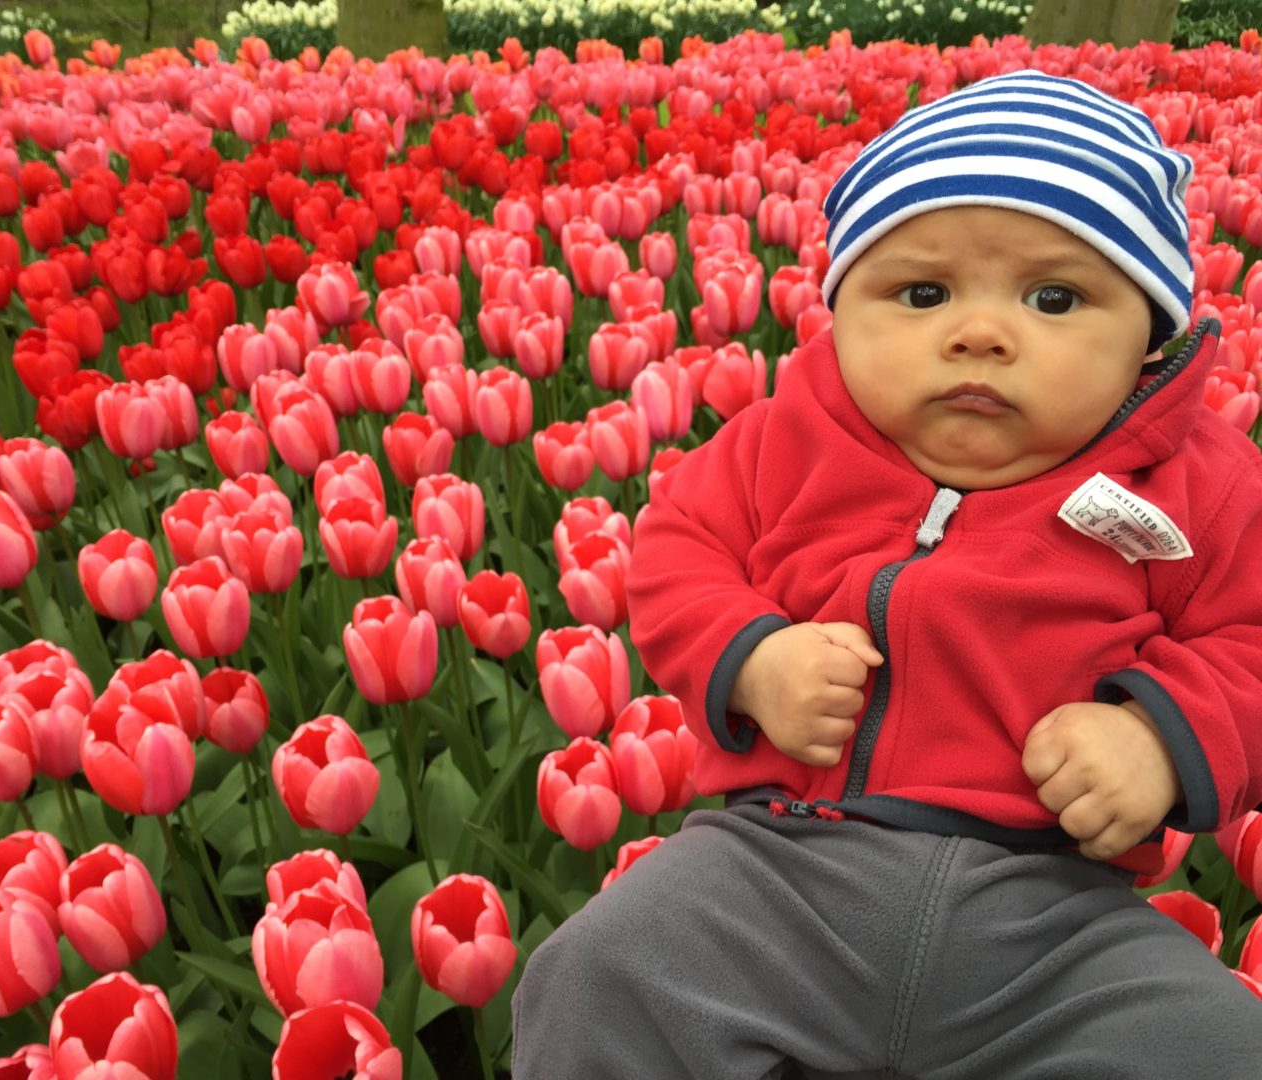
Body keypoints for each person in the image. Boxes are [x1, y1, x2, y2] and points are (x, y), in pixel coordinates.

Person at [510, 70, 1262, 1079]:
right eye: (921, 292)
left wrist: (1160, 735)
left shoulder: (1194, 486)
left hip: (1052, 918)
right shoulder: (783, 439)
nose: (979, 332)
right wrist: (755, 659)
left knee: (1218, 1045)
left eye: (1054, 297)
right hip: (773, 870)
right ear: (841, 309)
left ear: (1148, 339)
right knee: (600, 970)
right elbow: (676, 551)